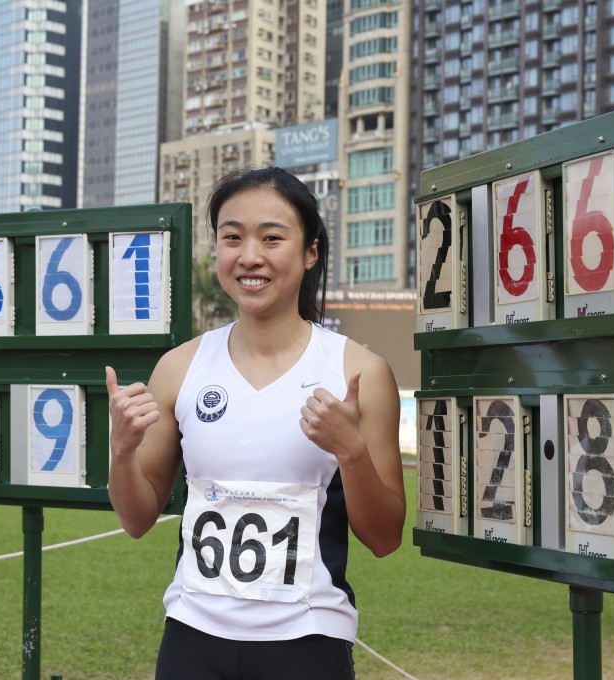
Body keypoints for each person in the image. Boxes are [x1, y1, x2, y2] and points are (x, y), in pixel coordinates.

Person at [105, 166, 406, 679]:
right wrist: (123, 451)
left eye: (271, 237)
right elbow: (135, 520)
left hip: (308, 640)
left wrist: (351, 452)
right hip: (192, 637)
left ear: (311, 252)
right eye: (232, 238)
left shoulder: (359, 372)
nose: (249, 256)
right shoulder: (180, 367)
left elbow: (384, 538)